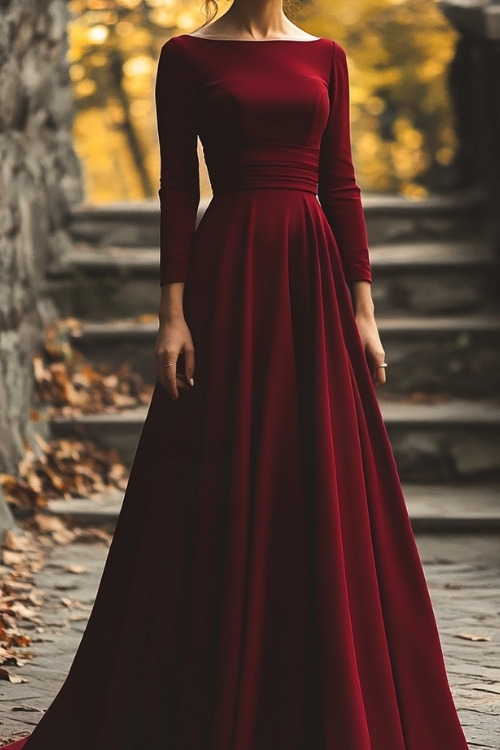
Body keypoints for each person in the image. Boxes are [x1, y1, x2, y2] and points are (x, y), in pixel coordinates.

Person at [4, 0, 470, 748]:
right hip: (231, 275)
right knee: (220, 472)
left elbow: (340, 182)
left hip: (311, 276)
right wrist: (172, 314)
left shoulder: (328, 56)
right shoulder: (186, 55)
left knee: (315, 473)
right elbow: (178, 186)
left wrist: (363, 307)